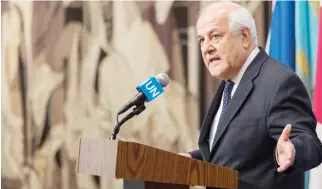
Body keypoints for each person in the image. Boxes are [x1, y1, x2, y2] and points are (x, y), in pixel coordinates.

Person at [180, 2, 322, 189]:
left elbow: (309, 142)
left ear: (245, 36)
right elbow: (240, 148)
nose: (206, 48)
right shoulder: (229, 85)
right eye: (201, 40)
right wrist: (193, 159)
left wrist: (293, 150)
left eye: (215, 36)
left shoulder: (279, 82)